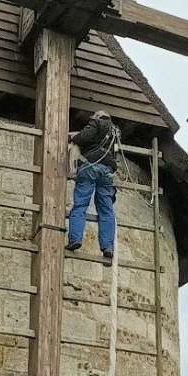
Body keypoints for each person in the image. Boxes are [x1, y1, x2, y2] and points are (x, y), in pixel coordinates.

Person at [66, 111, 120, 265]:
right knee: (106, 210)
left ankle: (75, 239)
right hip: (107, 172)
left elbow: (85, 137)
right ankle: (107, 247)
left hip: (90, 166)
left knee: (81, 205)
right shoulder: (115, 132)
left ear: (97, 117)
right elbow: (115, 153)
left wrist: (73, 136)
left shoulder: (96, 123)